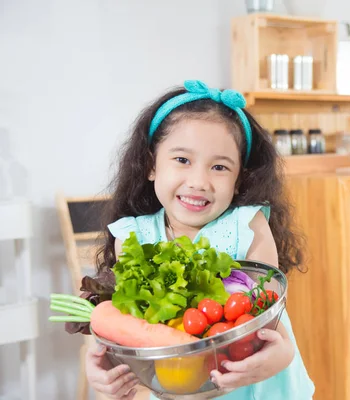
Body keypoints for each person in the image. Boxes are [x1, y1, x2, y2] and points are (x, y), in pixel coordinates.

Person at [85, 80, 314, 400]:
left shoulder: (249, 225)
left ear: (238, 180)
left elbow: (270, 321)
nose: (198, 182)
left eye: (219, 166)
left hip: (252, 388)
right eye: (182, 160)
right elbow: (129, 333)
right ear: (152, 164)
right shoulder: (132, 238)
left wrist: (280, 357)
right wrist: (103, 368)